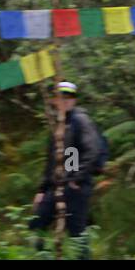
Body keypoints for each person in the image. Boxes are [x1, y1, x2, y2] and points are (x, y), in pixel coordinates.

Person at [30, 81, 105, 258]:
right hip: (56, 187)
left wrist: (76, 178)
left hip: (76, 187)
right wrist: (42, 189)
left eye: (69, 97)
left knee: (77, 235)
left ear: (74, 100)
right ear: (54, 100)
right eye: (60, 96)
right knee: (37, 224)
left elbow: (92, 150)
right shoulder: (59, 125)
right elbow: (52, 161)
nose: (64, 100)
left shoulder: (80, 121)